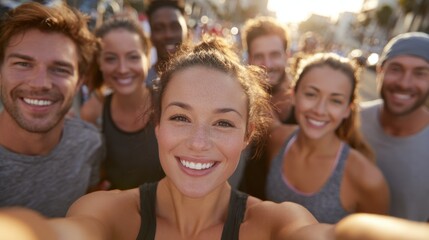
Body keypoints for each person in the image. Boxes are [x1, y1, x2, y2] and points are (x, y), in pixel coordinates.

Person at [0, 37, 335, 240]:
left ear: (247, 136)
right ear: (157, 125)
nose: (199, 142)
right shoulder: (107, 214)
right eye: (180, 117)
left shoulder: (278, 224)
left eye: (223, 123)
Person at [0, 2, 104, 217]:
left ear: (78, 82)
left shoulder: (89, 144)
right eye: (23, 64)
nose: (40, 83)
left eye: (60, 69)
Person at [264, 53, 389, 223]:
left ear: (347, 109)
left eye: (335, 101)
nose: (320, 110)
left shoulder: (367, 179)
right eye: (311, 94)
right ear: (293, 94)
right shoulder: (277, 139)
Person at [80, 17, 164, 190]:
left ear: (147, 58)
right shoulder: (92, 114)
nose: (123, 68)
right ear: (99, 63)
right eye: (111, 59)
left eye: (133, 57)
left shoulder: (168, 104)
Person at [359, 32, 429, 221]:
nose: (404, 83)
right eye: (396, 69)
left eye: (420, 73)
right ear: (380, 71)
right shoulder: (350, 120)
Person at [238, 16, 294, 199]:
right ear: (249, 59)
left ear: (287, 56)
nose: (267, 65)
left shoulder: (307, 106)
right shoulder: (238, 99)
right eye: (259, 56)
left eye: (275, 55)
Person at [144, 0, 189, 88]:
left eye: (175, 26)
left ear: (187, 31)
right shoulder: (143, 85)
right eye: (159, 28)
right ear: (150, 36)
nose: (168, 35)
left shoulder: (201, 78)